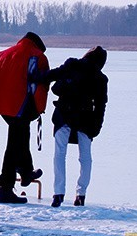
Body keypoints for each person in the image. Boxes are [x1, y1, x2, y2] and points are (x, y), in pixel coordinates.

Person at [0, 32, 49, 204]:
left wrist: (0, 99)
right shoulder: (37, 57)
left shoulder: (3, 54)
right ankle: (5, 187)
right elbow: (38, 86)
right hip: (24, 106)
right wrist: (37, 108)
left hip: (5, 107)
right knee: (14, 145)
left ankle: (26, 171)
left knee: (21, 137)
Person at [41, 46, 108, 208]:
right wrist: (97, 127)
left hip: (63, 114)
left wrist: (33, 77)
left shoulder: (72, 64)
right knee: (85, 158)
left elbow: (51, 76)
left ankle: (58, 194)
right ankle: (81, 194)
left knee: (59, 154)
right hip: (85, 120)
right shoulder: (100, 78)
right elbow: (100, 106)